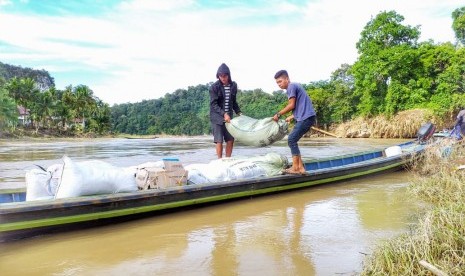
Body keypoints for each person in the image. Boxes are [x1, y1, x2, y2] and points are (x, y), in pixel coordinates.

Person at [272, 70, 316, 175]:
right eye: (277, 83)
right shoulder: (295, 86)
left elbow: (291, 105)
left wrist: (278, 114)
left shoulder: (291, 87)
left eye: (280, 81)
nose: (279, 84)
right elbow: (299, 105)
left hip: (306, 118)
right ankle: (300, 167)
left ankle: (296, 167)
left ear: (287, 79)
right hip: (306, 117)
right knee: (293, 140)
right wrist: (292, 116)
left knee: (291, 139)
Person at [210, 63, 242, 158]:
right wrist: (224, 114)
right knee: (219, 140)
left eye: (225, 76)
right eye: (221, 76)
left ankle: (228, 160)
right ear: (218, 76)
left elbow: (234, 102)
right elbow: (213, 104)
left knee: (230, 140)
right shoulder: (214, 87)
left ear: (228, 75)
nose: (223, 78)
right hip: (217, 118)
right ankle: (220, 161)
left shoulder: (233, 86)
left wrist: (239, 112)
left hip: (229, 118)